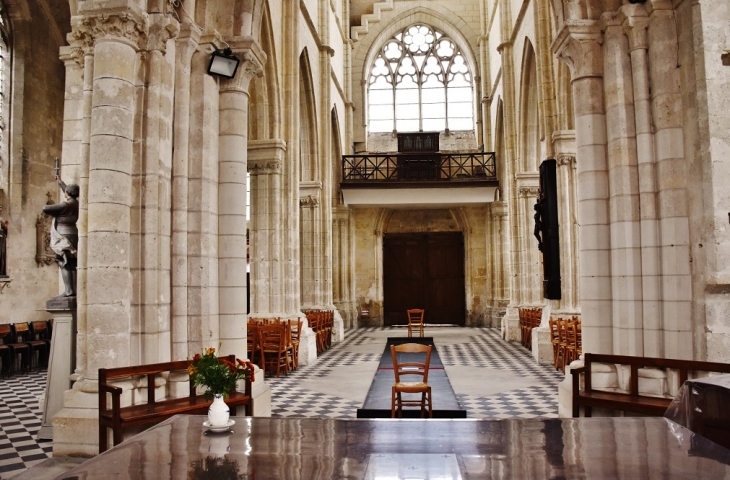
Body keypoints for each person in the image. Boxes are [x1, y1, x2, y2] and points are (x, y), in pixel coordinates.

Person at [42, 177, 79, 296]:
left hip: (63, 236)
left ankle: (69, 290)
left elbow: (45, 208)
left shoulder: (66, 205)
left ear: (67, 193)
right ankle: (73, 290)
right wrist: (60, 183)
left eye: (65, 192)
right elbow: (68, 192)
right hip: (73, 235)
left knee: (64, 262)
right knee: (72, 263)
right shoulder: (76, 203)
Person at [0, 205, 7, 277]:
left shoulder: (1, 219)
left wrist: (5, 227)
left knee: (2, 254)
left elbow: (4, 231)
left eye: (1, 210)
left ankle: (1, 271)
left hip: (2, 239)